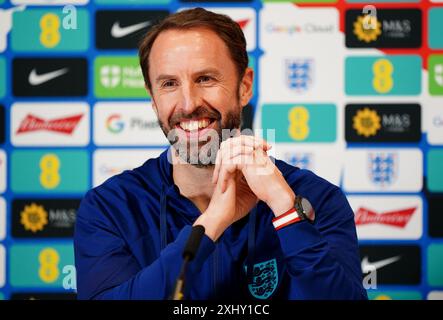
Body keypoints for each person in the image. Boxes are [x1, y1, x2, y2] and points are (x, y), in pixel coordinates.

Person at [74, 8, 367, 300]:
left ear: (244, 87)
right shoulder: (110, 207)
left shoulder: (316, 198)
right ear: (153, 100)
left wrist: (287, 212)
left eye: (205, 79)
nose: (188, 104)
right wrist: (212, 222)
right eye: (169, 84)